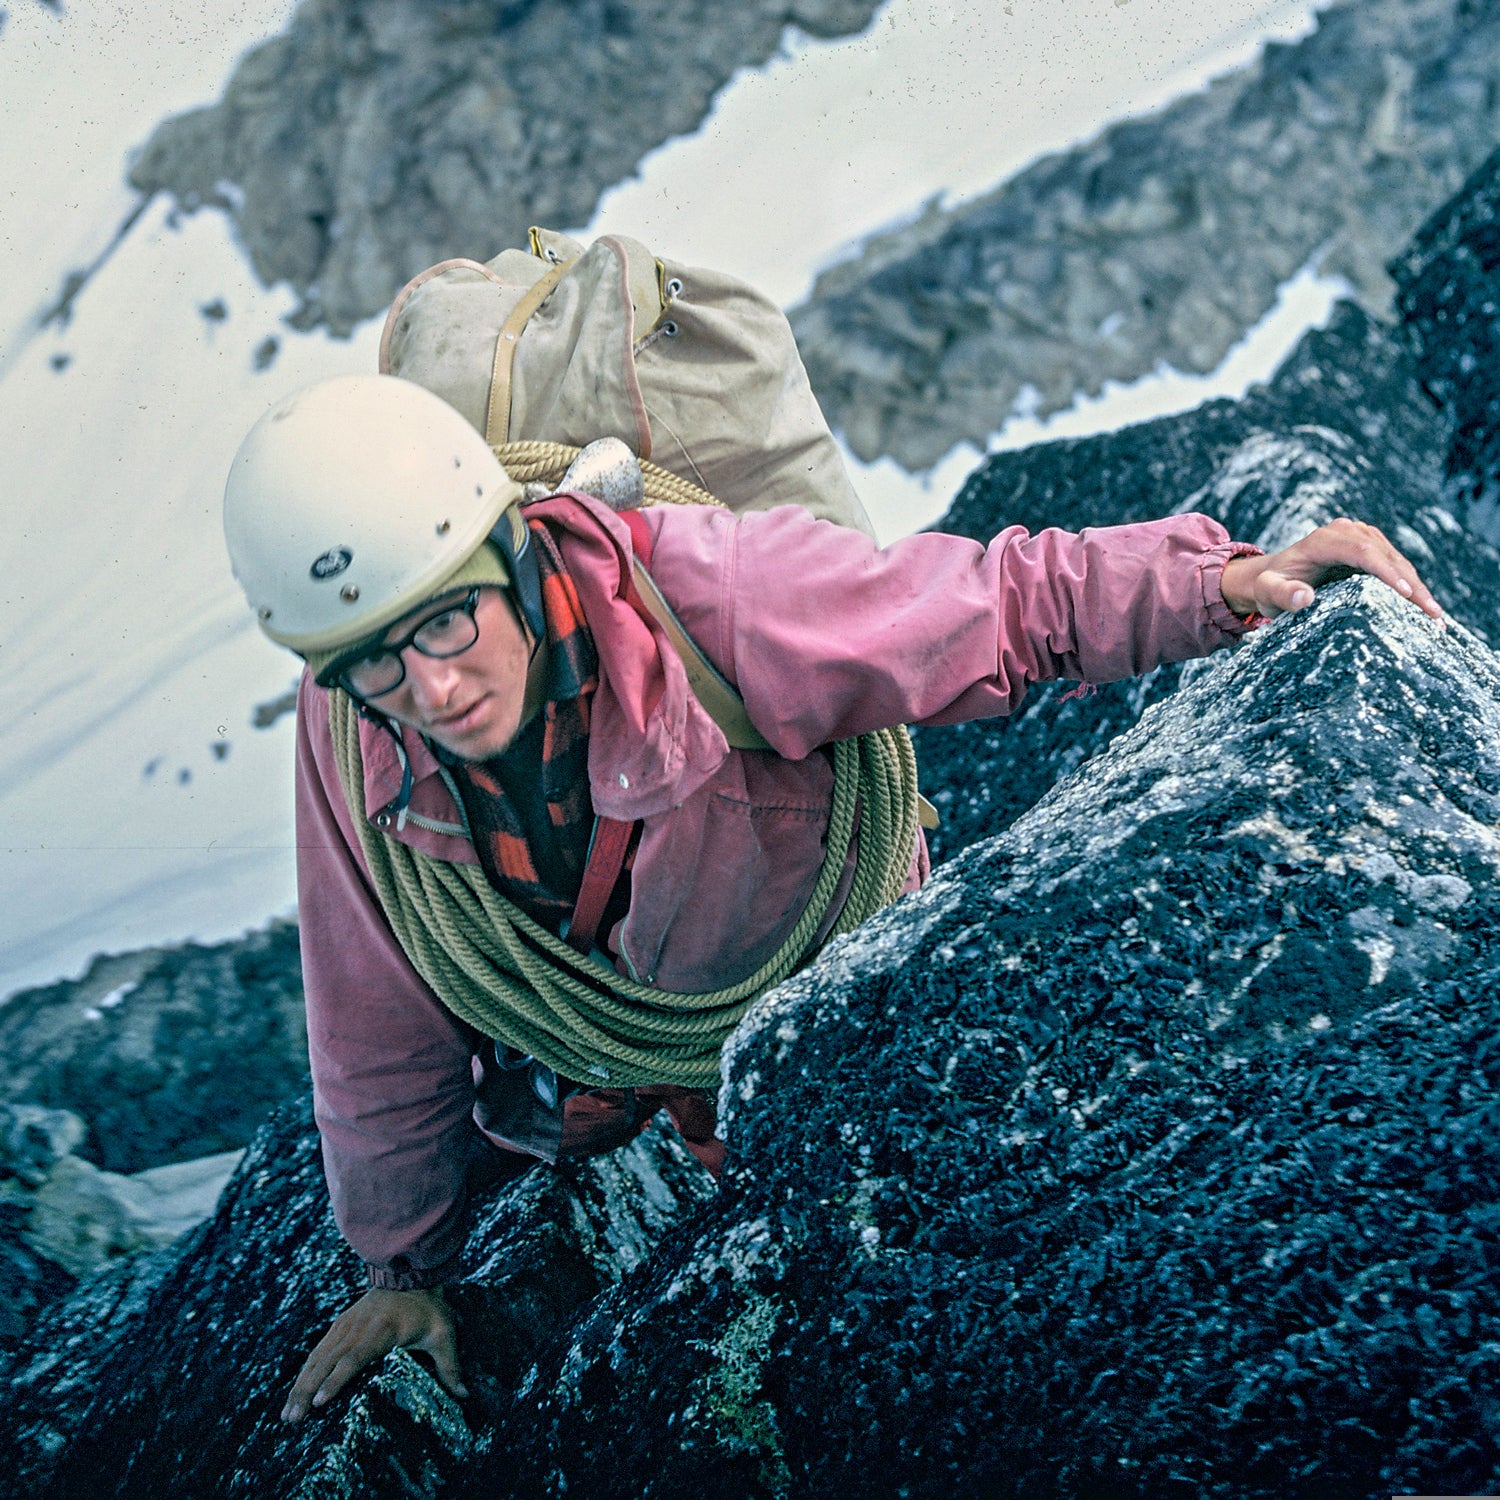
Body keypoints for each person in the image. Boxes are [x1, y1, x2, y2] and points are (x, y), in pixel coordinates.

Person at [220, 373, 1443, 1425]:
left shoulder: (706, 597)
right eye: (374, 658)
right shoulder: (349, 731)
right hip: (631, 1063)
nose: (426, 689)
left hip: (826, 1013)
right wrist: (401, 1262)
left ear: (515, 556)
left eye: (447, 623)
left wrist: (1216, 586)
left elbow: (988, 608)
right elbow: (370, 1003)